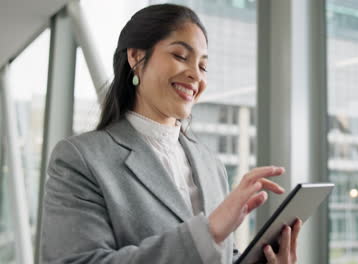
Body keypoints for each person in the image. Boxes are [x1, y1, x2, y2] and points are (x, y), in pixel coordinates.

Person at [40, 4, 301, 264]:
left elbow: (219, 255)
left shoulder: (210, 164)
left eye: (203, 66)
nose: (195, 75)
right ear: (136, 57)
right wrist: (207, 233)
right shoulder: (80, 159)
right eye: (180, 56)